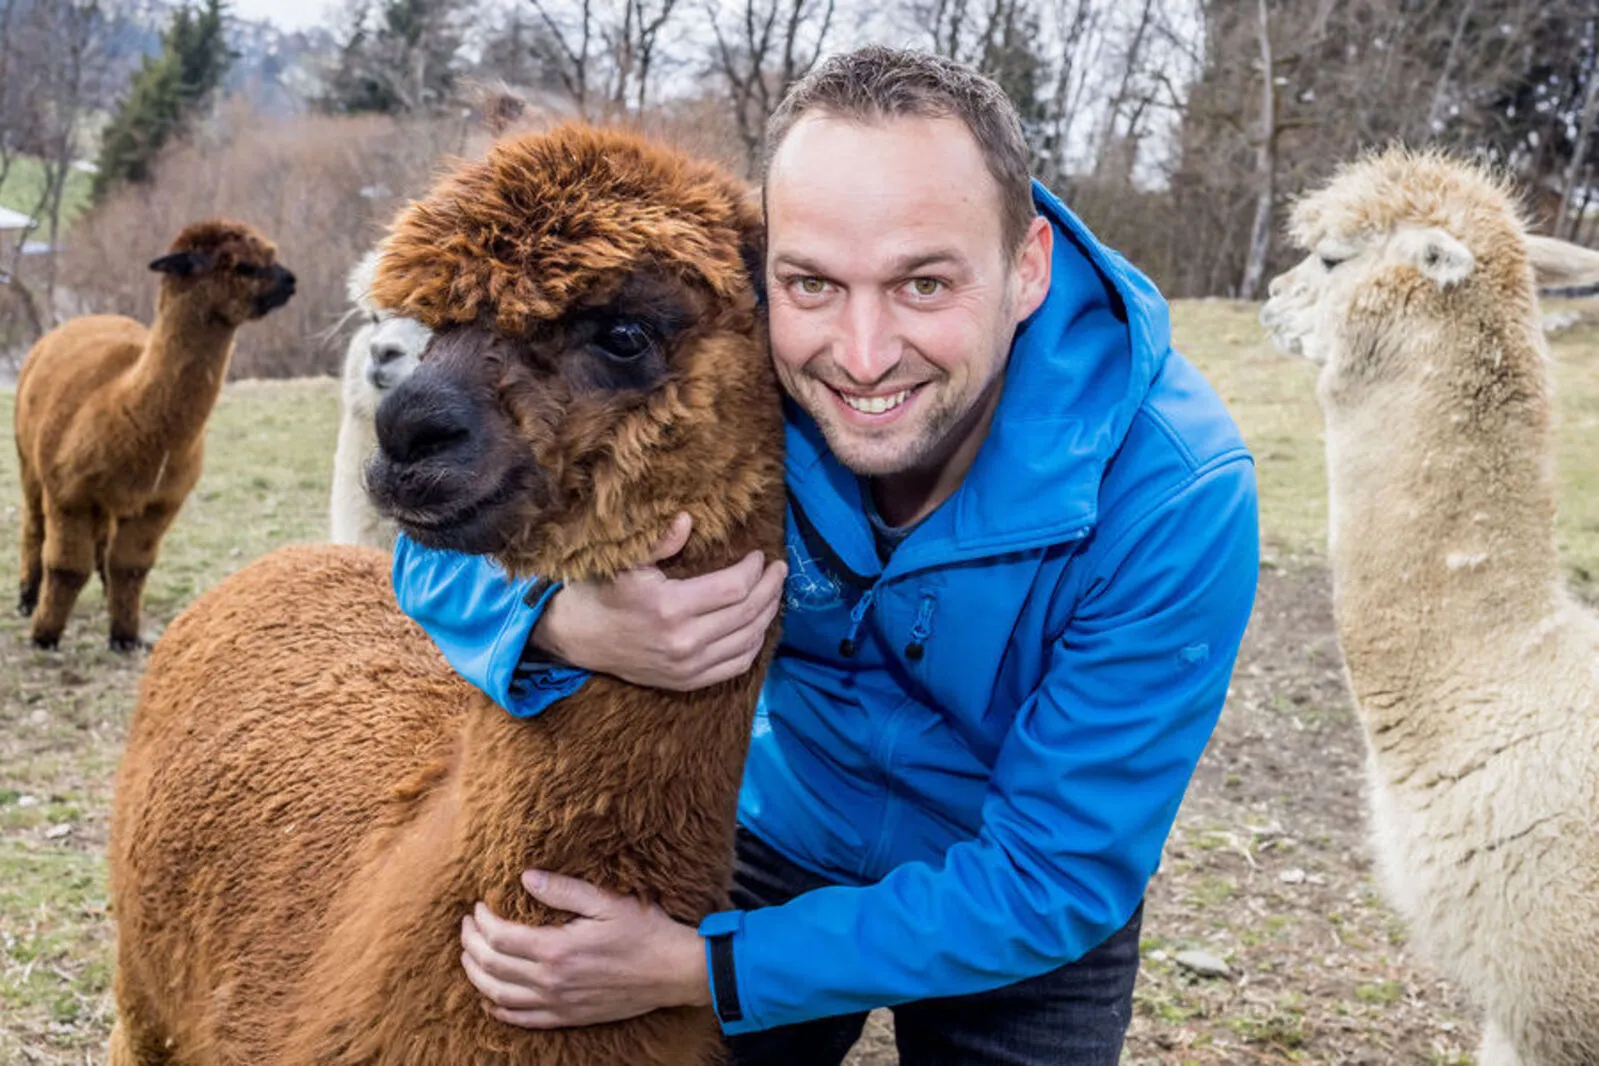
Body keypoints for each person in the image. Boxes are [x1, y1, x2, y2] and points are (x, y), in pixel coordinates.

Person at [393, 45, 1259, 1065]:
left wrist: (706, 969)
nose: (860, 355)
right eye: (811, 282)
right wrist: (566, 621)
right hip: (782, 832)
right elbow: (439, 533)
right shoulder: (736, 365)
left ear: (1028, 266)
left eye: (924, 283)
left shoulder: (1170, 491)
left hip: (1012, 896)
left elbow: (1057, 871)